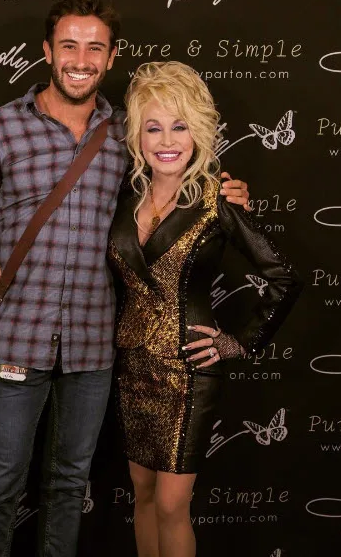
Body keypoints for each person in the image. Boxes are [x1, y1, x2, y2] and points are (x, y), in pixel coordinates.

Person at [0, 0, 251, 557]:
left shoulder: (129, 134)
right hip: (13, 343)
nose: (80, 60)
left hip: (94, 351)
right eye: (69, 46)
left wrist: (224, 192)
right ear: (47, 51)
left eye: (94, 48)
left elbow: (174, 175)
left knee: (68, 488)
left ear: (111, 57)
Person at [107, 61, 302, 557]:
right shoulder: (122, 196)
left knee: (172, 504)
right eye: (153, 127)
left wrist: (238, 342)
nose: (166, 140)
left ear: (198, 132)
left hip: (187, 372)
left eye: (179, 126)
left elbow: (284, 278)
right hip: (131, 369)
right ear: (137, 136)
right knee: (142, 495)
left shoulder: (218, 200)